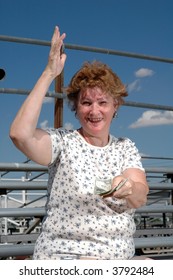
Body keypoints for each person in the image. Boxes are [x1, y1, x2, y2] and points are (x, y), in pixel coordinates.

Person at [9, 26, 149, 260]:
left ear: (115, 106)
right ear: (76, 108)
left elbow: (141, 195)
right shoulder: (63, 144)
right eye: (86, 103)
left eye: (102, 102)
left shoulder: (125, 147)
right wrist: (49, 73)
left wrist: (129, 189)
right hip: (67, 257)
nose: (94, 111)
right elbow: (20, 135)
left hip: (118, 261)